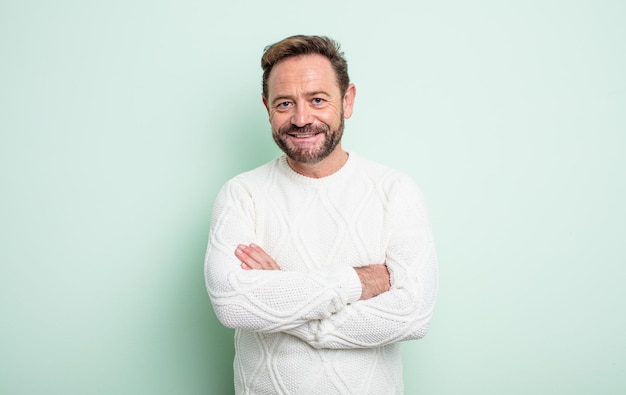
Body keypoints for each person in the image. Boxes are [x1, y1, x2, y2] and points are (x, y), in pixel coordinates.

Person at [204, 34, 438, 394]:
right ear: (267, 107)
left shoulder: (395, 191)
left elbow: (412, 313)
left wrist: (283, 299)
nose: (301, 118)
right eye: (284, 103)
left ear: (347, 100)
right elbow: (232, 303)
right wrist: (357, 282)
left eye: (317, 99)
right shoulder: (242, 193)